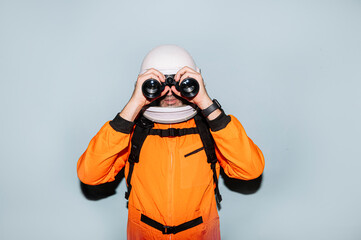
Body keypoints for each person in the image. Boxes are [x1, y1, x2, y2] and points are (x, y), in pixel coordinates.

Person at [77, 45, 265, 239]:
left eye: (178, 83)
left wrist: (206, 104)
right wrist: (134, 104)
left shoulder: (211, 130)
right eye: (158, 84)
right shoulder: (132, 132)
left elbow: (250, 170)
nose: (169, 92)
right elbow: (90, 174)